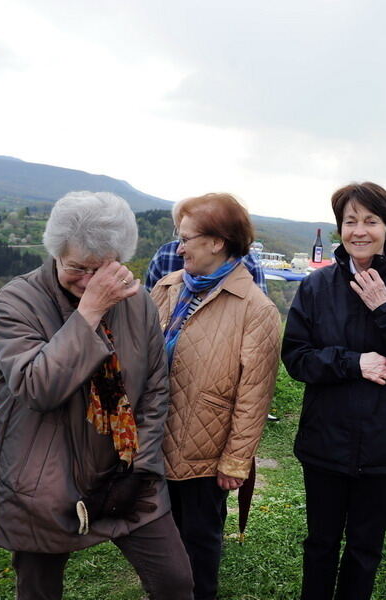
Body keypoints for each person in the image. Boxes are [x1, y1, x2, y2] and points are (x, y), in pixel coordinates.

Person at [0, 191, 193, 600]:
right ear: (55, 254)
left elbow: (154, 390)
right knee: (38, 589)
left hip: (123, 470)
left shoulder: (138, 305)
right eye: (77, 268)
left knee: (176, 582)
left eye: (101, 269)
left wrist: (141, 469)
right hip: (42, 479)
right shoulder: (16, 301)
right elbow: (37, 388)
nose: (88, 282)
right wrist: (89, 313)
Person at [282, 182, 386, 600]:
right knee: (320, 544)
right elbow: (296, 358)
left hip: (384, 443)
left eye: (370, 221)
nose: (359, 231)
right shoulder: (317, 288)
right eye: (350, 221)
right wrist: (354, 363)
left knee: (365, 549)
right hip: (325, 439)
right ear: (340, 229)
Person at [150, 193, 281, 600]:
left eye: (187, 238)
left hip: (205, 452)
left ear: (217, 242)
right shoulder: (167, 287)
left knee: (199, 547)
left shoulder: (255, 309)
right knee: (156, 544)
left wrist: (236, 461)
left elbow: (253, 395)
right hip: (154, 442)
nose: (179, 247)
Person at [144, 239, 266, 294]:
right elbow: (149, 308)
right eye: (179, 237)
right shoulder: (165, 254)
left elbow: (261, 318)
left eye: (186, 239)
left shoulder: (248, 264)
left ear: (216, 243)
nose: (179, 250)